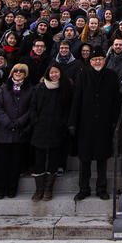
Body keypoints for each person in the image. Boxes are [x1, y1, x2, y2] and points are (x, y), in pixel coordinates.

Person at [69, 46, 121, 200]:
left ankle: (101, 188)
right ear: (90, 61)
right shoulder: (83, 75)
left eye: (100, 59)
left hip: (104, 123)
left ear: (104, 61)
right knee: (84, 159)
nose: (97, 61)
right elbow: (76, 100)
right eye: (94, 59)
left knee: (102, 159)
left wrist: (114, 121)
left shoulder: (111, 76)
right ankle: (84, 188)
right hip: (86, 123)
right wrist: (73, 122)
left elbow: (116, 101)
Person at [28, 64, 73, 201]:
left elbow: (67, 108)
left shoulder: (64, 88)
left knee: (53, 159)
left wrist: (63, 123)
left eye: (56, 72)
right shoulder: (39, 88)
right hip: (40, 128)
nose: (54, 75)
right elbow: (33, 106)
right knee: (39, 160)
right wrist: (35, 121)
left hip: (56, 128)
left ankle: (48, 189)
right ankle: (39, 189)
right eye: (52, 73)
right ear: (48, 74)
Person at [0, 63, 31, 199]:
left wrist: (20, 122)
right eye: (16, 71)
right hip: (4, 131)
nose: (18, 73)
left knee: (15, 164)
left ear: (25, 74)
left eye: (21, 71)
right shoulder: (3, 88)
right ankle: (0, 189)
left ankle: (12, 189)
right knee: (1, 163)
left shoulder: (29, 90)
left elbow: (31, 109)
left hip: (19, 132)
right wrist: (7, 122)